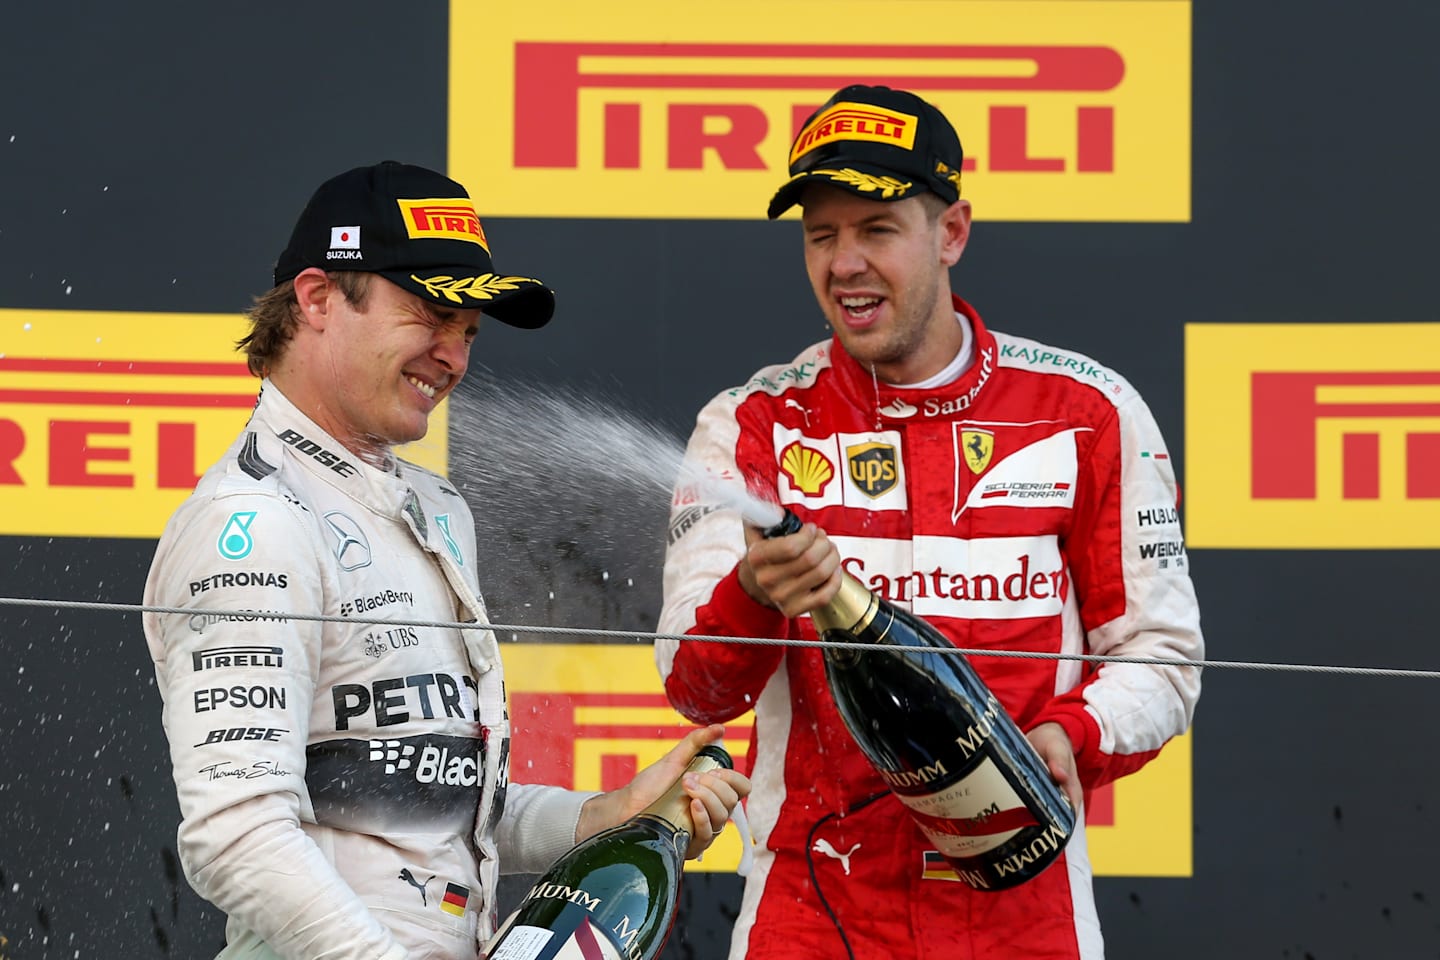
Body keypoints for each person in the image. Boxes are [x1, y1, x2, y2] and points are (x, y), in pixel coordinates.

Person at [142, 160, 749, 960]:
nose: (453, 358)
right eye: (430, 316)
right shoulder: (253, 522)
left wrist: (602, 816)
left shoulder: (432, 509)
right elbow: (236, 832)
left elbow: (431, 805)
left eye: (468, 332)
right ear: (318, 299)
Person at [656, 85, 1203, 959]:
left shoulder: (1085, 410)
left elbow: (1163, 660)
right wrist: (753, 594)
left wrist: (1068, 735)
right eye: (821, 235)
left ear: (951, 234)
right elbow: (694, 686)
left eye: (876, 229)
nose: (844, 263)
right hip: (812, 906)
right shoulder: (751, 422)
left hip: (1022, 907)